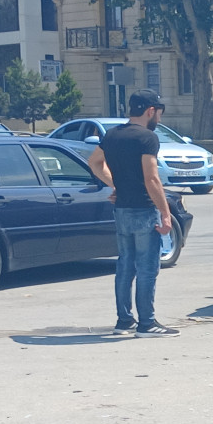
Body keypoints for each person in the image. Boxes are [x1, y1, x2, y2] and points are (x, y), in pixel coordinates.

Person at [87, 89, 179, 337]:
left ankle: (124, 321)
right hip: (144, 209)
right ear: (150, 111)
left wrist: (115, 185)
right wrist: (165, 213)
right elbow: (152, 178)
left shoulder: (112, 135)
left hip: (122, 209)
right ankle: (147, 323)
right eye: (158, 113)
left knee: (125, 266)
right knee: (147, 268)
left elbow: (94, 162)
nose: (159, 118)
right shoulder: (147, 138)